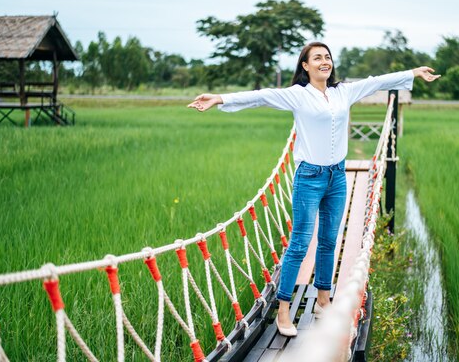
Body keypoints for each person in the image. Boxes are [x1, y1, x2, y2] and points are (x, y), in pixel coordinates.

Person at [188, 42, 440, 337]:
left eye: (328, 57)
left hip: (337, 176)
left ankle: (323, 300)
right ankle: (283, 310)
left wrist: (414, 72)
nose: (325, 61)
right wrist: (219, 98)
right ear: (305, 66)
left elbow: (377, 82)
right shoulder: (297, 95)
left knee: (329, 241)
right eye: (317, 57)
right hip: (309, 177)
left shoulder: (343, 92)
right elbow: (261, 96)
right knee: (299, 244)